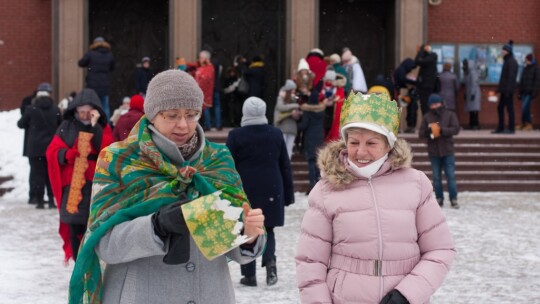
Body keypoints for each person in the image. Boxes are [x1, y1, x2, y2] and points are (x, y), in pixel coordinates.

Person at [66, 70, 266, 304]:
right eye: (172, 115)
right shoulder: (119, 160)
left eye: (192, 115)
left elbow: (224, 242)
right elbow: (104, 244)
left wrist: (247, 235)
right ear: (152, 115)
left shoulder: (217, 159)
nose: (183, 124)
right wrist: (155, 226)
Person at [295, 92, 456, 304]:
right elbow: (310, 261)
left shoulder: (416, 184)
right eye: (353, 142)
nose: (361, 152)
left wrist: (408, 294)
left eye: (371, 143)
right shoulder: (326, 190)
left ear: (388, 145)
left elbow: (440, 249)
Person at [227, 97, 294, 287]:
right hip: (272, 186)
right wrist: (288, 195)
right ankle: (270, 263)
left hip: (245, 188)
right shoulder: (275, 133)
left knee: (246, 228)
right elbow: (285, 166)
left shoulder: (236, 135)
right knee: (268, 228)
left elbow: (227, 166)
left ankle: (249, 275)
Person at [46, 88, 114, 262]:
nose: (84, 115)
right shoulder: (66, 127)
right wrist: (66, 155)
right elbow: (52, 151)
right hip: (73, 187)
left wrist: (95, 127)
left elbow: (110, 151)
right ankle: (79, 264)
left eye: (88, 112)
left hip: (95, 185)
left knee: (92, 227)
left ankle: (92, 264)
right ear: (75, 110)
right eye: (81, 112)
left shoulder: (102, 128)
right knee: (74, 226)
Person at [17, 82, 61, 209]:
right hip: (51, 148)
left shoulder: (31, 109)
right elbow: (62, 125)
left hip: (35, 149)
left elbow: (20, 124)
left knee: (37, 175)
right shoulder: (55, 109)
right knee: (50, 174)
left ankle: (40, 201)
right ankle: (52, 200)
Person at [419, 93, 460, 208]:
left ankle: (453, 199)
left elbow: (456, 129)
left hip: (447, 150)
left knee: (450, 176)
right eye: (432, 104)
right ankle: (439, 198)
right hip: (434, 151)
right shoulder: (427, 117)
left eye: (437, 103)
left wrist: (442, 131)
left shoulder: (450, 114)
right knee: (436, 177)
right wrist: (429, 131)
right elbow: (421, 134)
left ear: (441, 103)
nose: (435, 106)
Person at [78, 36, 115, 120]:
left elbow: (81, 63)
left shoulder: (91, 54)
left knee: (91, 105)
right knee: (105, 106)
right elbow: (112, 67)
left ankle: (92, 122)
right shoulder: (109, 55)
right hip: (105, 84)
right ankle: (106, 124)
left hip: (92, 84)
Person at [492, 40, 518, 134]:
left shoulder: (511, 62)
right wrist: (498, 90)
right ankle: (502, 127)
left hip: (508, 91)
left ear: (508, 51)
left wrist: (506, 91)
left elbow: (510, 78)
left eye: (504, 50)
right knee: (502, 108)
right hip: (505, 90)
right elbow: (504, 78)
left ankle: (510, 128)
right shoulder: (508, 61)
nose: (502, 52)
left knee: (509, 108)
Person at [274, 79, 301, 159]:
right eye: (293, 89)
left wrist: (296, 114)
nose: (294, 91)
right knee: (283, 148)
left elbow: (297, 117)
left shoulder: (294, 99)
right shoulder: (281, 98)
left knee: (288, 149)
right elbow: (281, 107)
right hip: (282, 127)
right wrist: (294, 105)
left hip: (292, 128)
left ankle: (286, 166)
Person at [19, 89, 37, 204]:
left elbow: (21, 123)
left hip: (32, 145)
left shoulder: (30, 108)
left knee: (34, 172)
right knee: (44, 173)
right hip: (47, 147)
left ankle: (34, 196)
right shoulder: (52, 108)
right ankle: (45, 198)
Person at [394, 58, 419, 133]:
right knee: (409, 109)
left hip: (397, 90)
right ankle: (398, 127)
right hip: (396, 90)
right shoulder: (402, 70)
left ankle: (399, 127)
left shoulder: (401, 69)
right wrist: (415, 83)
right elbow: (403, 80)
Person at [517, 53, 540, 131]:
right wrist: (520, 92)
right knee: (525, 108)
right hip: (524, 92)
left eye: (526, 60)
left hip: (530, 92)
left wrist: (534, 93)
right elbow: (521, 81)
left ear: (530, 60)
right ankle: (524, 123)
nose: (525, 61)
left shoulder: (536, 69)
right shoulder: (525, 68)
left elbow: (537, 82)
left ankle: (529, 123)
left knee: (525, 108)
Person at [195, 50, 216, 131]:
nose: (199, 59)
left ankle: (207, 125)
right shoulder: (202, 67)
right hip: (200, 90)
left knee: (205, 108)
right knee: (202, 109)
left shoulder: (209, 67)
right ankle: (203, 125)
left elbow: (206, 79)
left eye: (201, 58)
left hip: (205, 91)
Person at [415, 44, 439, 115]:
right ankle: (427, 122)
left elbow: (418, 61)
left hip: (427, 86)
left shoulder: (432, 56)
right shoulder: (428, 58)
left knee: (426, 106)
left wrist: (420, 52)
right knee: (425, 105)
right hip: (427, 85)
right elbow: (417, 61)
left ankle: (428, 123)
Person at [462, 59, 481, 130]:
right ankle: (472, 124)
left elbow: (474, 84)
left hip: (474, 93)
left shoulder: (473, 73)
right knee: (471, 110)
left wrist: (472, 94)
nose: (464, 66)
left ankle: (475, 124)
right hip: (470, 93)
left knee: (474, 110)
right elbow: (466, 83)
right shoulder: (468, 72)